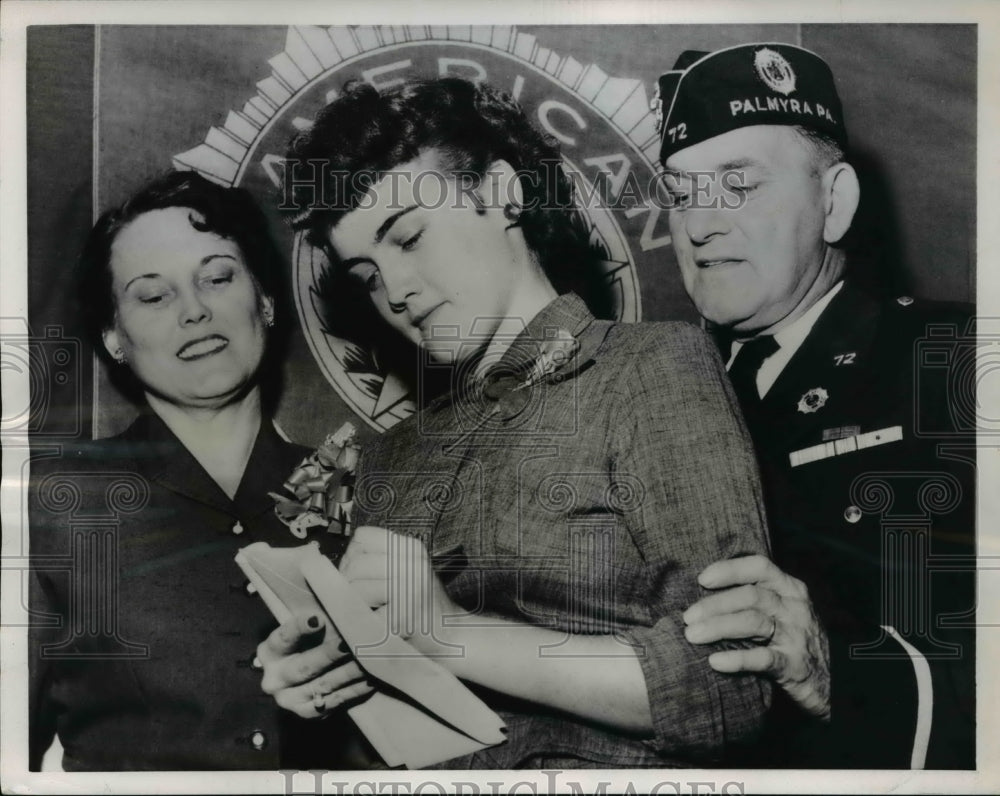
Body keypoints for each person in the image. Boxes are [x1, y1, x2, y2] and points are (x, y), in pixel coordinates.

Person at [255, 77, 772, 769]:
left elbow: (731, 687)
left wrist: (448, 632)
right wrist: (330, 679)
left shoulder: (649, 368)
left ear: (501, 193)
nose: (397, 291)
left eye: (408, 236)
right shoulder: (392, 457)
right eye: (367, 276)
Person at [652, 43, 975, 767]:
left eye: (738, 184)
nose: (699, 224)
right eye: (680, 193)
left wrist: (841, 675)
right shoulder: (655, 396)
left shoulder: (954, 357)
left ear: (835, 202)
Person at [28, 171, 370, 770]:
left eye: (217, 278)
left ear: (264, 300)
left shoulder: (351, 486)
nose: (195, 311)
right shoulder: (56, 503)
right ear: (112, 337)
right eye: (153, 295)